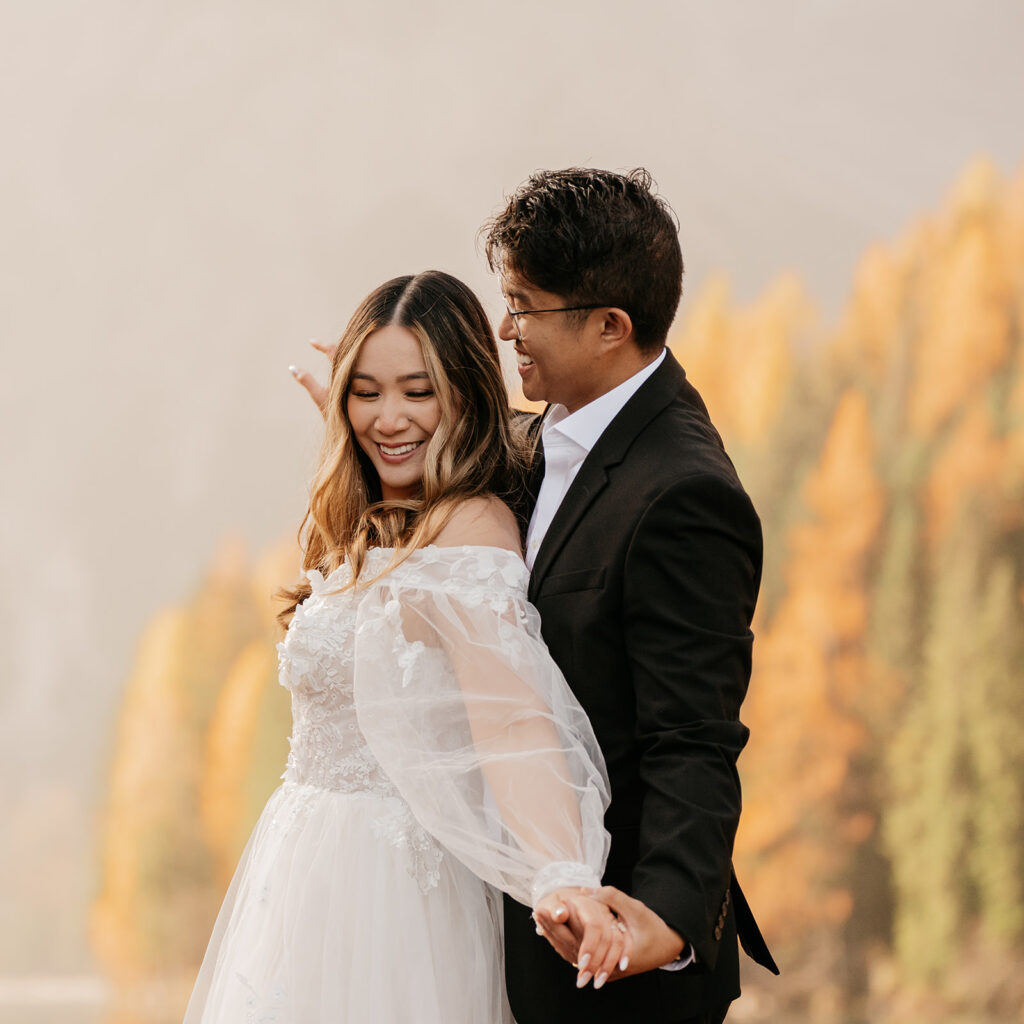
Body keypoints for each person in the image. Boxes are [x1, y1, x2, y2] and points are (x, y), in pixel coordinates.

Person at [295, 168, 778, 1023]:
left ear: (609, 326)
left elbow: (693, 738)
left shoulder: (683, 494)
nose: (506, 327)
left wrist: (667, 916)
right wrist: (384, 405)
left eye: (526, 307)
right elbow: (469, 473)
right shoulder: (542, 429)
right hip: (479, 915)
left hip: (611, 951)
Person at [183, 270, 630, 1024]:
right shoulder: (373, 515)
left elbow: (512, 717)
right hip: (298, 876)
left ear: (463, 393)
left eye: (417, 391)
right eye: (368, 391)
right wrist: (359, 430)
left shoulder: (470, 529)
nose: (389, 418)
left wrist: (561, 874)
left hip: (395, 890)